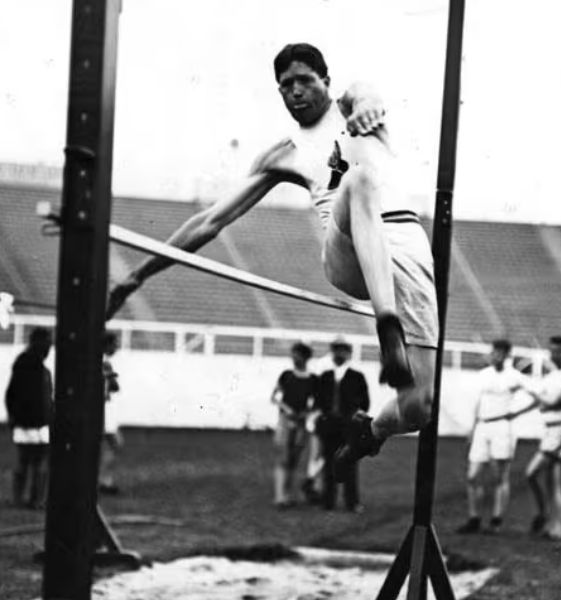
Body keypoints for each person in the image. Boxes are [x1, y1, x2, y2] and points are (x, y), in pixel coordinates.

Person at [105, 43, 439, 472]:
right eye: (286, 85)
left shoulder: (354, 106)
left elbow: (367, 95)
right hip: (348, 251)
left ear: (326, 82)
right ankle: (386, 325)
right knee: (360, 180)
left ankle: (369, 431)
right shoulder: (283, 154)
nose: (296, 91)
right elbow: (210, 221)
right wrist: (135, 277)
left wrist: (368, 107)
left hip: (406, 246)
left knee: (418, 406)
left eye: (305, 81)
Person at [458, 339, 533, 534]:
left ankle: (496, 519)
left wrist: (516, 413)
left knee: (500, 476)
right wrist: (472, 428)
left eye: (499, 353)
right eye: (494, 352)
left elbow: (537, 396)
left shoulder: (514, 376)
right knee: (472, 476)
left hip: (502, 427)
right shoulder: (484, 374)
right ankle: (474, 518)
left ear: (507, 355)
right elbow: (478, 402)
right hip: (482, 426)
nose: (495, 356)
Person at [523, 335, 561, 540]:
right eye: (551, 351)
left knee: (535, 473)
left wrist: (535, 393)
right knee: (550, 481)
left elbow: (557, 400)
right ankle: (553, 524)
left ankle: (549, 520)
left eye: (557, 351)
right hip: (549, 430)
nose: (553, 355)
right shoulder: (552, 376)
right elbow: (542, 402)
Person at [313, 337, 371, 512]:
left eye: (343, 350)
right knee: (329, 464)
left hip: (349, 427)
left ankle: (351, 502)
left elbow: (365, 403)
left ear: (349, 353)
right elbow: (318, 400)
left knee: (350, 464)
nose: (339, 353)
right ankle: (328, 502)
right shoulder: (325, 376)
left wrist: (353, 419)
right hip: (330, 426)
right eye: (337, 349)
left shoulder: (357, 377)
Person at [4, 327, 54, 510]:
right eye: (48, 343)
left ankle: (19, 498)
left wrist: (13, 416)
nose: (50, 347)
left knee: (24, 459)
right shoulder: (38, 369)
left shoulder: (22, 364)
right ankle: (37, 499)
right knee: (39, 460)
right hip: (37, 421)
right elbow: (42, 399)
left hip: (22, 420)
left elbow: (10, 394)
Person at [271, 341, 318, 508]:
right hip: (285, 421)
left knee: (294, 459)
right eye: (293, 354)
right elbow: (274, 397)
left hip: (300, 423)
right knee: (282, 458)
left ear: (305, 357)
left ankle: (287, 494)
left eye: (297, 354)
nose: (294, 357)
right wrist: (286, 409)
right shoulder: (286, 375)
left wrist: (306, 413)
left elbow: (316, 402)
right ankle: (279, 496)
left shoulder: (313, 379)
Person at [99, 332, 122, 495]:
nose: (117, 347)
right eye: (114, 344)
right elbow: (115, 386)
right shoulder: (104, 363)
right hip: (101, 409)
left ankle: (103, 480)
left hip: (101, 408)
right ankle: (104, 481)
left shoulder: (103, 362)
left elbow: (114, 386)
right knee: (114, 443)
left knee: (110, 444)